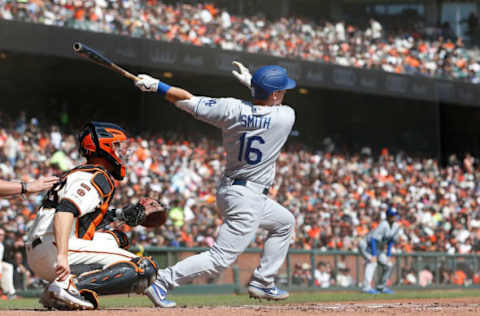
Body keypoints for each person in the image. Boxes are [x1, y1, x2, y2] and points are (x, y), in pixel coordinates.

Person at [134, 61, 297, 305]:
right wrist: (253, 85)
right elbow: (270, 105)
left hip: (232, 190)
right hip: (247, 198)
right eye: (281, 91)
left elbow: (187, 100)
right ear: (275, 94)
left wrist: (158, 86)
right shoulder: (286, 116)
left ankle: (263, 281)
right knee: (220, 258)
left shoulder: (230, 108)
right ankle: (162, 281)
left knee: (285, 223)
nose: (284, 95)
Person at [25, 122, 166, 310]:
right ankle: (68, 287)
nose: (122, 151)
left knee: (117, 237)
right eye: (117, 145)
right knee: (144, 268)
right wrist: (62, 256)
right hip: (55, 248)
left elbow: (82, 217)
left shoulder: (80, 172)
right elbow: (65, 211)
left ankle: (63, 288)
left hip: (40, 249)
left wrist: (121, 214)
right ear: (104, 146)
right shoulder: (98, 176)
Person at [358, 207, 401, 294]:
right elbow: (373, 239)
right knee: (372, 262)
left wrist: (388, 255)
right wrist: (374, 255)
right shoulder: (383, 224)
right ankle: (366, 288)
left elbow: (391, 241)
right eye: (392, 215)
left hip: (376, 247)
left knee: (388, 264)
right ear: (388, 216)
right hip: (366, 245)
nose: (394, 217)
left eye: (395, 215)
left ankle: (381, 287)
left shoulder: (396, 226)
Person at [0, 228, 16, 299]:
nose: (1, 236)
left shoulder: (2, 245)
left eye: (3, 235)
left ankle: (10, 292)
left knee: (9, 267)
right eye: (0, 235)